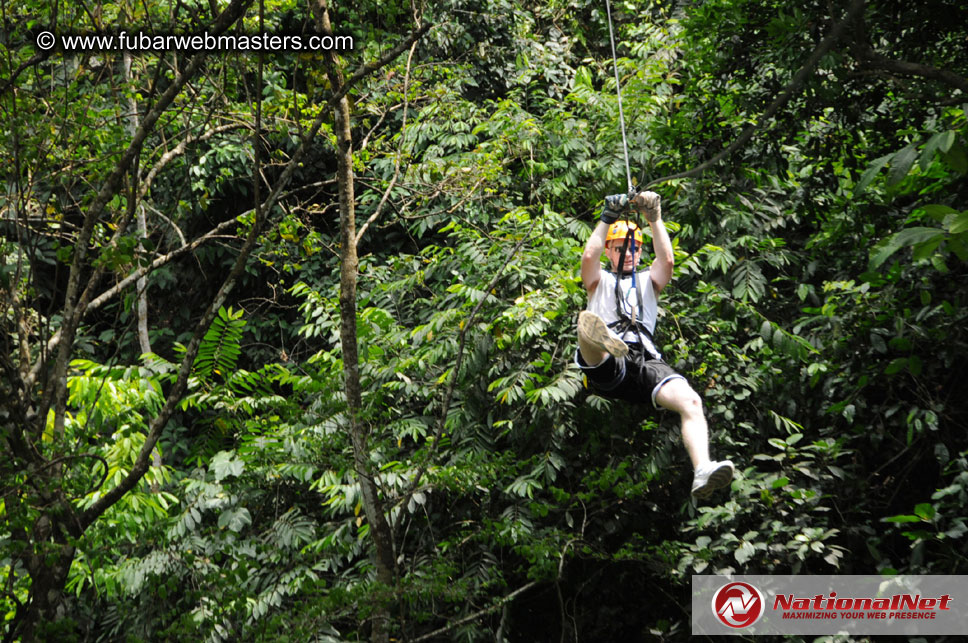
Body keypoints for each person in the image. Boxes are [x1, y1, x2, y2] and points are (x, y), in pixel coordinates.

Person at [575, 190, 734, 499]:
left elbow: (667, 260)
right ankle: (598, 339)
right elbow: (587, 258)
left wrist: (654, 217)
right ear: (610, 251)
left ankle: (701, 469)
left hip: (645, 361)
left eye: (633, 248)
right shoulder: (599, 282)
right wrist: (607, 217)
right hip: (609, 362)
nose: (628, 253)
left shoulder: (649, 281)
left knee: (690, 402)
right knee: (587, 327)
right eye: (620, 248)